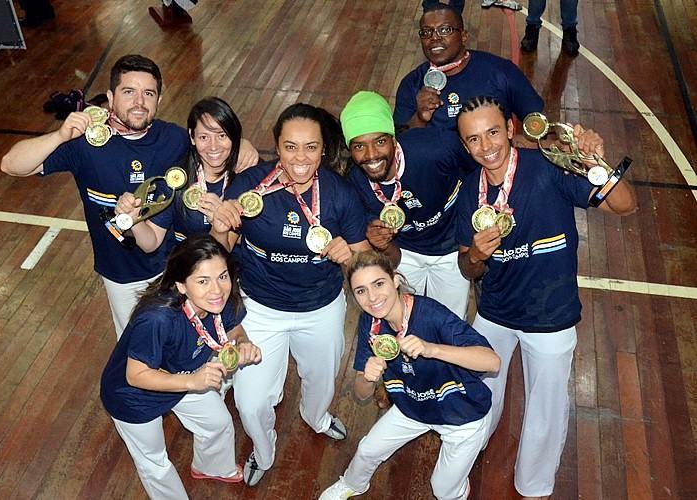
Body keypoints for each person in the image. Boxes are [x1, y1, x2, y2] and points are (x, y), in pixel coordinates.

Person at [454, 96, 636, 498]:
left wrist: (596, 165)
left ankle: (533, 486)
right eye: (474, 140)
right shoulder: (468, 192)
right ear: (465, 146)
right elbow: (468, 269)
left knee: (546, 407)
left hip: (552, 316)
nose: (486, 146)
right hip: (496, 312)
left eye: (492, 132)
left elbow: (625, 206)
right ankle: (471, 446)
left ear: (510, 129)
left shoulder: (549, 169)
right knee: (478, 388)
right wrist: (477, 256)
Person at [1, 56, 258, 338]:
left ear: (158, 99)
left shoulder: (172, 138)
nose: (139, 102)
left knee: (193, 342)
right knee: (139, 347)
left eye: (148, 93)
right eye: (128, 92)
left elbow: (212, 143)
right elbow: (11, 165)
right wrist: (59, 135)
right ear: (111, 97)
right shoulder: (85, 144)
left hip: (176, 267)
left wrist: (242, 144)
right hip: (122, 274)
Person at [210, 103, 371, 486]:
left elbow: (365, 256)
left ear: (322, 149)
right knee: (249, 404)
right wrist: (219, 227)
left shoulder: (340, 193)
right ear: (277, 146)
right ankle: (263, 452)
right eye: (291, 147)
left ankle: (316, 418)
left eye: (311, 148)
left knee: (321, 380)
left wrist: (350, 256)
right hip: (260, 309)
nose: (300, 158)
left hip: (322, 308)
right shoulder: (249, 186)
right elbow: (222, 250)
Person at [319, 250, 499, 500]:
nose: (372, 298)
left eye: (378, 284)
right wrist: (367, 378)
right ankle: (353, 484)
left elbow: (492, 362)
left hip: (462, 414)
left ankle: (458, 490)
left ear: (395, 280)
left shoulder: (431, 314)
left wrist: (432, 349)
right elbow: (360, 394)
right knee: (367, 450)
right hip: (413, 406)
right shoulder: (370, 323)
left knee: (443, 490)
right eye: (361, 291)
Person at [100, 234, 261, 500]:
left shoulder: (223, 299)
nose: (217, 289)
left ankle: (210, 466)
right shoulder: (157, 318)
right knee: (155, 462)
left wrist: (243, 343)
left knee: (218, 423)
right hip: (133, 397)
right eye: (202, 281)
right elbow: (135, 374)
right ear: (181, 286)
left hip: (185, 377)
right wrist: (191, 382)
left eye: (222, 276)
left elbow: (233, 328)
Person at [341, 90, 471, 319]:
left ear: (393, 139)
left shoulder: (436, 148)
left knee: (451, 323)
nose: (371, 155)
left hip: (451, 247)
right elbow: (394, 258)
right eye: (359, 146)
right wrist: (380, 243)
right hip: (406, 251)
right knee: (405, 321)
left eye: (379, 142)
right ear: (350, 150)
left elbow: (478, 174)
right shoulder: (355, 183)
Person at [116, 97, 242, 252]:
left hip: (229, 272)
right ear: (192, 137)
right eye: (204, 137)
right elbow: (152, 242)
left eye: (221, 135)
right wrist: (135, 220)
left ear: (233, 135)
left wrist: (219, 225)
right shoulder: (175, 181)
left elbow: (225, 251)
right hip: (186, 271)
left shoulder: (246, 178)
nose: (213, 146)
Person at [394, 3, 543, 133]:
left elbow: (540, 123)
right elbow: (400, 146)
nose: (434, 37)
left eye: (445, 30)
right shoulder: (412, 84)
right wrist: (420, 119)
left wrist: (528, 141)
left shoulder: (501, 71)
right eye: (426, 32)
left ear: (464, 36)